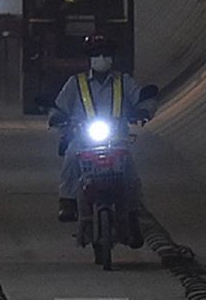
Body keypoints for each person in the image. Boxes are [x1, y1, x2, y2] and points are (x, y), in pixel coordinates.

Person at [50, 34, 156, 247]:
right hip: (84, 139)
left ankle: (132, 215)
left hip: (116, 140)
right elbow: (59, 105)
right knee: (71, 157)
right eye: (96, 54)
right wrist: (56, 117)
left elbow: (142, 98)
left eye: (105, 54)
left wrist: (144, 110)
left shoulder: (124, 81)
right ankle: (68, 202)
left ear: (112, 58)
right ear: (89, 59)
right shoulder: (76, 83)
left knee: (131, 175)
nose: (101, 58)